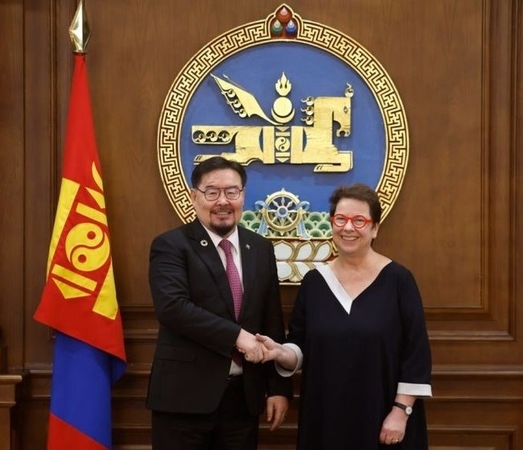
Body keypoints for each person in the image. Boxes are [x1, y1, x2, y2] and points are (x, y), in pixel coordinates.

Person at [257, 183, 433, 449]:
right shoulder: (314, 282)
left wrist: (401, 411)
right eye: (340, 219)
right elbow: (300, 346)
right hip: (325, 416)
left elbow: (416, 353)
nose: (348, 228)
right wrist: (280, 353)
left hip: (384, 418)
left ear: (375, 228)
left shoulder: (399, 280)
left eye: (359, 220)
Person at [146, 156, 292, 450]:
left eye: (231, 192)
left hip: (243, 400)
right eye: (212, 192)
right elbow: (172, 308)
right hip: (183, 400)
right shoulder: (171, 245)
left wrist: (278, 388)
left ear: (243, 195)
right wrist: (238, 337)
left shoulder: (260, 248)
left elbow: (271, 319)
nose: (223, 201)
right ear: (194, 196)